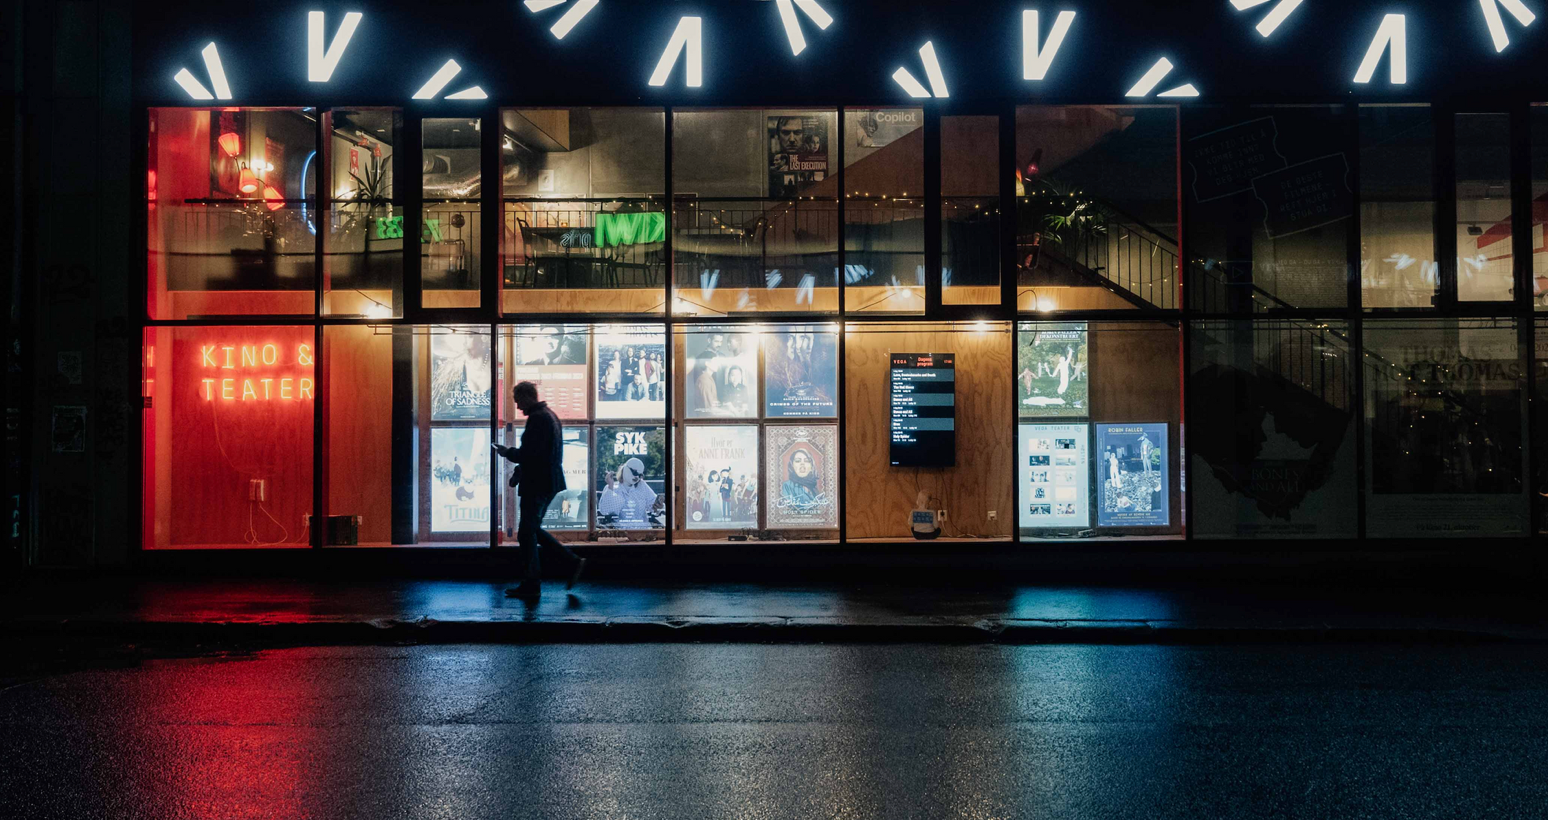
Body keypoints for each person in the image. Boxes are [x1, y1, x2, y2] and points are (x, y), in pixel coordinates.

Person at [495, 381, 585, 599]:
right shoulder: (549, 416)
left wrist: (507, 453)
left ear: (527, 397)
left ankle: (538, 580)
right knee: (531, 530)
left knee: (527, 532)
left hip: (537, 483)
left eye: (518, 401)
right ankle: (564, 565)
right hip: (548, 481)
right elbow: (540, 454)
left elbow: (529, 455)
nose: (517, 406)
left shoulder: (537, 419)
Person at [598, 457, 658, 529]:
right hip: (622, 534)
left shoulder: (642, 486)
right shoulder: (612, 488)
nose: (637, 477)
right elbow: (605, 511)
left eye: (640, 475)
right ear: (625, 469)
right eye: (635, 472)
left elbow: (653, 504)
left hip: (643, 532)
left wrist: (658, 505)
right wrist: (610, 485)